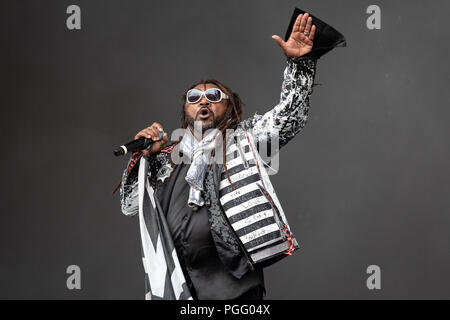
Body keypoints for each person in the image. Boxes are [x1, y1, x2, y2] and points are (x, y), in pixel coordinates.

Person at [119, 13, 318, 300]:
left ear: (230, 108)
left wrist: (300, 64)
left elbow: (290, 117)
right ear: (185, 111)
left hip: (233, 285)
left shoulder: (245, 139)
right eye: (194, 97)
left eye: (214, 96)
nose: (203, 101)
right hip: (179, 284)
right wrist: (141, 159)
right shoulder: (165, 156)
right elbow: (129, 205)